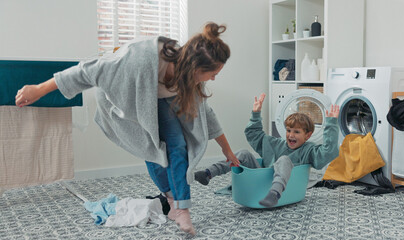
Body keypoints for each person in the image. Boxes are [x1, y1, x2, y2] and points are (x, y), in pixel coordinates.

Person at [15, 22, 240, 236]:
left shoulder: (190, 79)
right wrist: (38, 89)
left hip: (163, 99)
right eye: (213, 73)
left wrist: (227, 151)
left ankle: (182, 208)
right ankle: (171, 199)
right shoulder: (140, 58)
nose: (213, 78)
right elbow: (87, 70)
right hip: (130, 100)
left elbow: (206, 115)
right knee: (152, 149)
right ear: (195, 67)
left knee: (178, 145)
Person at [194, 93, 339, 207]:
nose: (291, 135)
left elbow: (328, 152)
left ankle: (275, 193)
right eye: (289, 130)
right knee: (244, 153)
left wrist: (331, 124)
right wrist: (256, 113)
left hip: (283, 188)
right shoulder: (276, 144)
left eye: (296, 132)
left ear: (308, 135)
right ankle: (208, 174)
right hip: (262, 181)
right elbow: (254, 135)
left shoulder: (310, 150)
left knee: (284, 159)